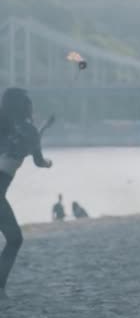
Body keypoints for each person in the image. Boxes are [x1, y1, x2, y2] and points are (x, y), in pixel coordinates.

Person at [0, 88, 52, 299]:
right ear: (25, 106)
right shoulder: (29, 131)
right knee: (14, 239)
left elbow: (15, 144)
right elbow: (39, 161)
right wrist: (49, 163)